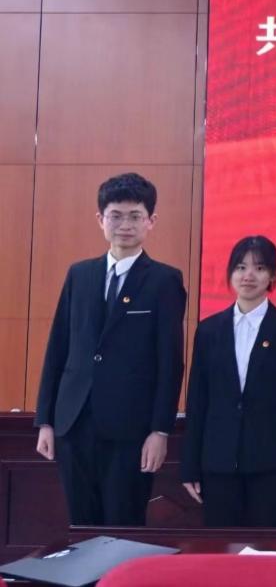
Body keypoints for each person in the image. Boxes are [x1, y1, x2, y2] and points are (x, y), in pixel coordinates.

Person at [33, 172, 186, 525]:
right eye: (115, 215)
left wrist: (160, 430)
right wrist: (45, 420)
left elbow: (170, 362)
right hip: (74, 423)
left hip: (131, 429)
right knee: (81, 526)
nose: (125, 225)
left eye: (135, 216)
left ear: (151, 221)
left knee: (123, 525)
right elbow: (58, 348)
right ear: (100, 219)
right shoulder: (79, 274)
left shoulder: (164, 280)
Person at [181, 236, 276, 526]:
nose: (248, 276)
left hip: (272, 462)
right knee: (221, 547)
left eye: (259, 268)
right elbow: (198, 401)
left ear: (273, 276)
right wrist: (190, 465)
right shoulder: (209, 330)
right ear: (230, 274)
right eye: (240, 267)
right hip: (218, 462)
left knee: (268, 547)